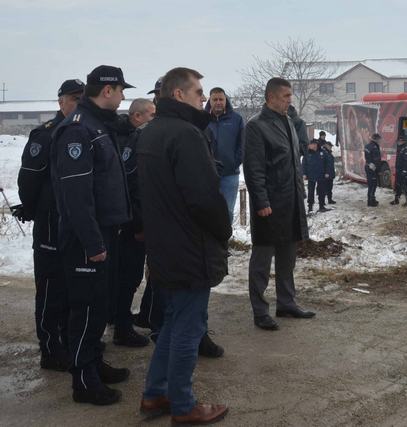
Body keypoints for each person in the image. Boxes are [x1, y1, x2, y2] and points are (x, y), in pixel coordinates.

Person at [137, 67, 231, 425]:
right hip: (189, 247)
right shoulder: (186, 135)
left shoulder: (152, 132)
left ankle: (155, 393)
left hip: (165, 245)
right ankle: (183, 404)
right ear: (178, 95)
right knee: (187, 328)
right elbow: (204, 199)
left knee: (174, 323)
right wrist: (223, 231)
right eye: (198, 92)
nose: (204, 99)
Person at [50, 65, 133, 405]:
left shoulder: (99, 125)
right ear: (107, 91)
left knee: (99, 306)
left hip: (104, 232)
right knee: (85, 309)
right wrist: (92, 242)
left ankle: (94, 363)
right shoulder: (78, 130)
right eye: (121, 90)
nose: (124, 96)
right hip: (86, 238)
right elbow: (76, 195)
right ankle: (83, 381)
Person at [15, 78, 84, 372]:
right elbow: (28, 180)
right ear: (60, 102)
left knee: (71, 287)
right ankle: (50, 349)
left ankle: (68, 341)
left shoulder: (83, 131)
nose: (77, 103)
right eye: (72, 98)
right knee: (50, 289)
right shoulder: (46, 135)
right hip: (49, 224)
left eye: (82, 98)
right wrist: (32, 210)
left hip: (73, 225)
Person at [244, 77, 315, 332]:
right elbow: (254, 169)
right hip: (270, 204)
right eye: (285, 96)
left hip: (291, 200)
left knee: (288, 256)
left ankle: (286, 302)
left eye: (290, 96)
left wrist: (300, 194)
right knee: (262, 259)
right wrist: (261, 201)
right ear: (270, 97)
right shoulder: (256, 126)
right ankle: (260, 310)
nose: (289, 100)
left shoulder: (288, 122)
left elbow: (294, 162)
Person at [110, 98, 155, 348]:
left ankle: (118, 319)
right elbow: (132, 187)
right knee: (127, 276)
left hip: (131, 221)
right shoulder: (131, 140)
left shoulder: (132, 137)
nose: (154, 120)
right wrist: (138, 225)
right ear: (137, 117)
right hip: (131, 224)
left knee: (126, 275)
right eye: (151, 115)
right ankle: (122, 328)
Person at [205, 87, 244, 222]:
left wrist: (234, 161)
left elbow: (242, 144)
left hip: (229, 174)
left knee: (227, 210)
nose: (218, 102)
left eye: (221, 99)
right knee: (208, 210)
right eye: (215, 99)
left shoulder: (236, 119)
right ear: (209, 100)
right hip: (207, 174)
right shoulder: (202, 119)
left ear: (225, 100)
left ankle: (225, 241)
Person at [302, 140, 329, 213]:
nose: (312, 146)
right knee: (311, 192)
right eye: (310, 144)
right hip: (311, 176)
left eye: (313, 144)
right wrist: (304, 174)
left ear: (316, 145)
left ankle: (321, 206)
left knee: (321, 191)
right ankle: (310, 207)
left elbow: (327, 163)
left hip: (321, 175)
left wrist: (327, 172)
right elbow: (304, 165)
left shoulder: (322, 152)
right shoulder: (307, 154)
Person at [390, 135, 407, 206]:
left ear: (403, 141)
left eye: (399, 141)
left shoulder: (406, 149)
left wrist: (405, 171)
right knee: (398, 185)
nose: (398, 142)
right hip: (399, 170)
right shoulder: (400, 148)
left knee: (405, 186)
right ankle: (396, 199)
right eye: (398, 141)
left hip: (403, 171)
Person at [364, 133, 382, 207]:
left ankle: (371, 199)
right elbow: (376, 159)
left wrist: (369, 163)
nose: (379, 141)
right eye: (379, 139)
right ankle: (371, 201)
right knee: (372, 185)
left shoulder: (368, 146)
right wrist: (377, 169)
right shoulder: (374, 147)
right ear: (376, 139)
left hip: (369, 167)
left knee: (371, 185)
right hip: (372, 168)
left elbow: (367, 157)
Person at [320, 139, 336, 205]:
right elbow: (323, 164)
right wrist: (325, 172)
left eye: (331, 146)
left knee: (330, 188)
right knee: (324, 188)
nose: (331, 147)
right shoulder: (323, 153)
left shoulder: (329, 153)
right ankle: (322, 201)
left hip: (330, 173)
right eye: (330, 146)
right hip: (325, 174)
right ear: (326, 145)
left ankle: (330, 199)